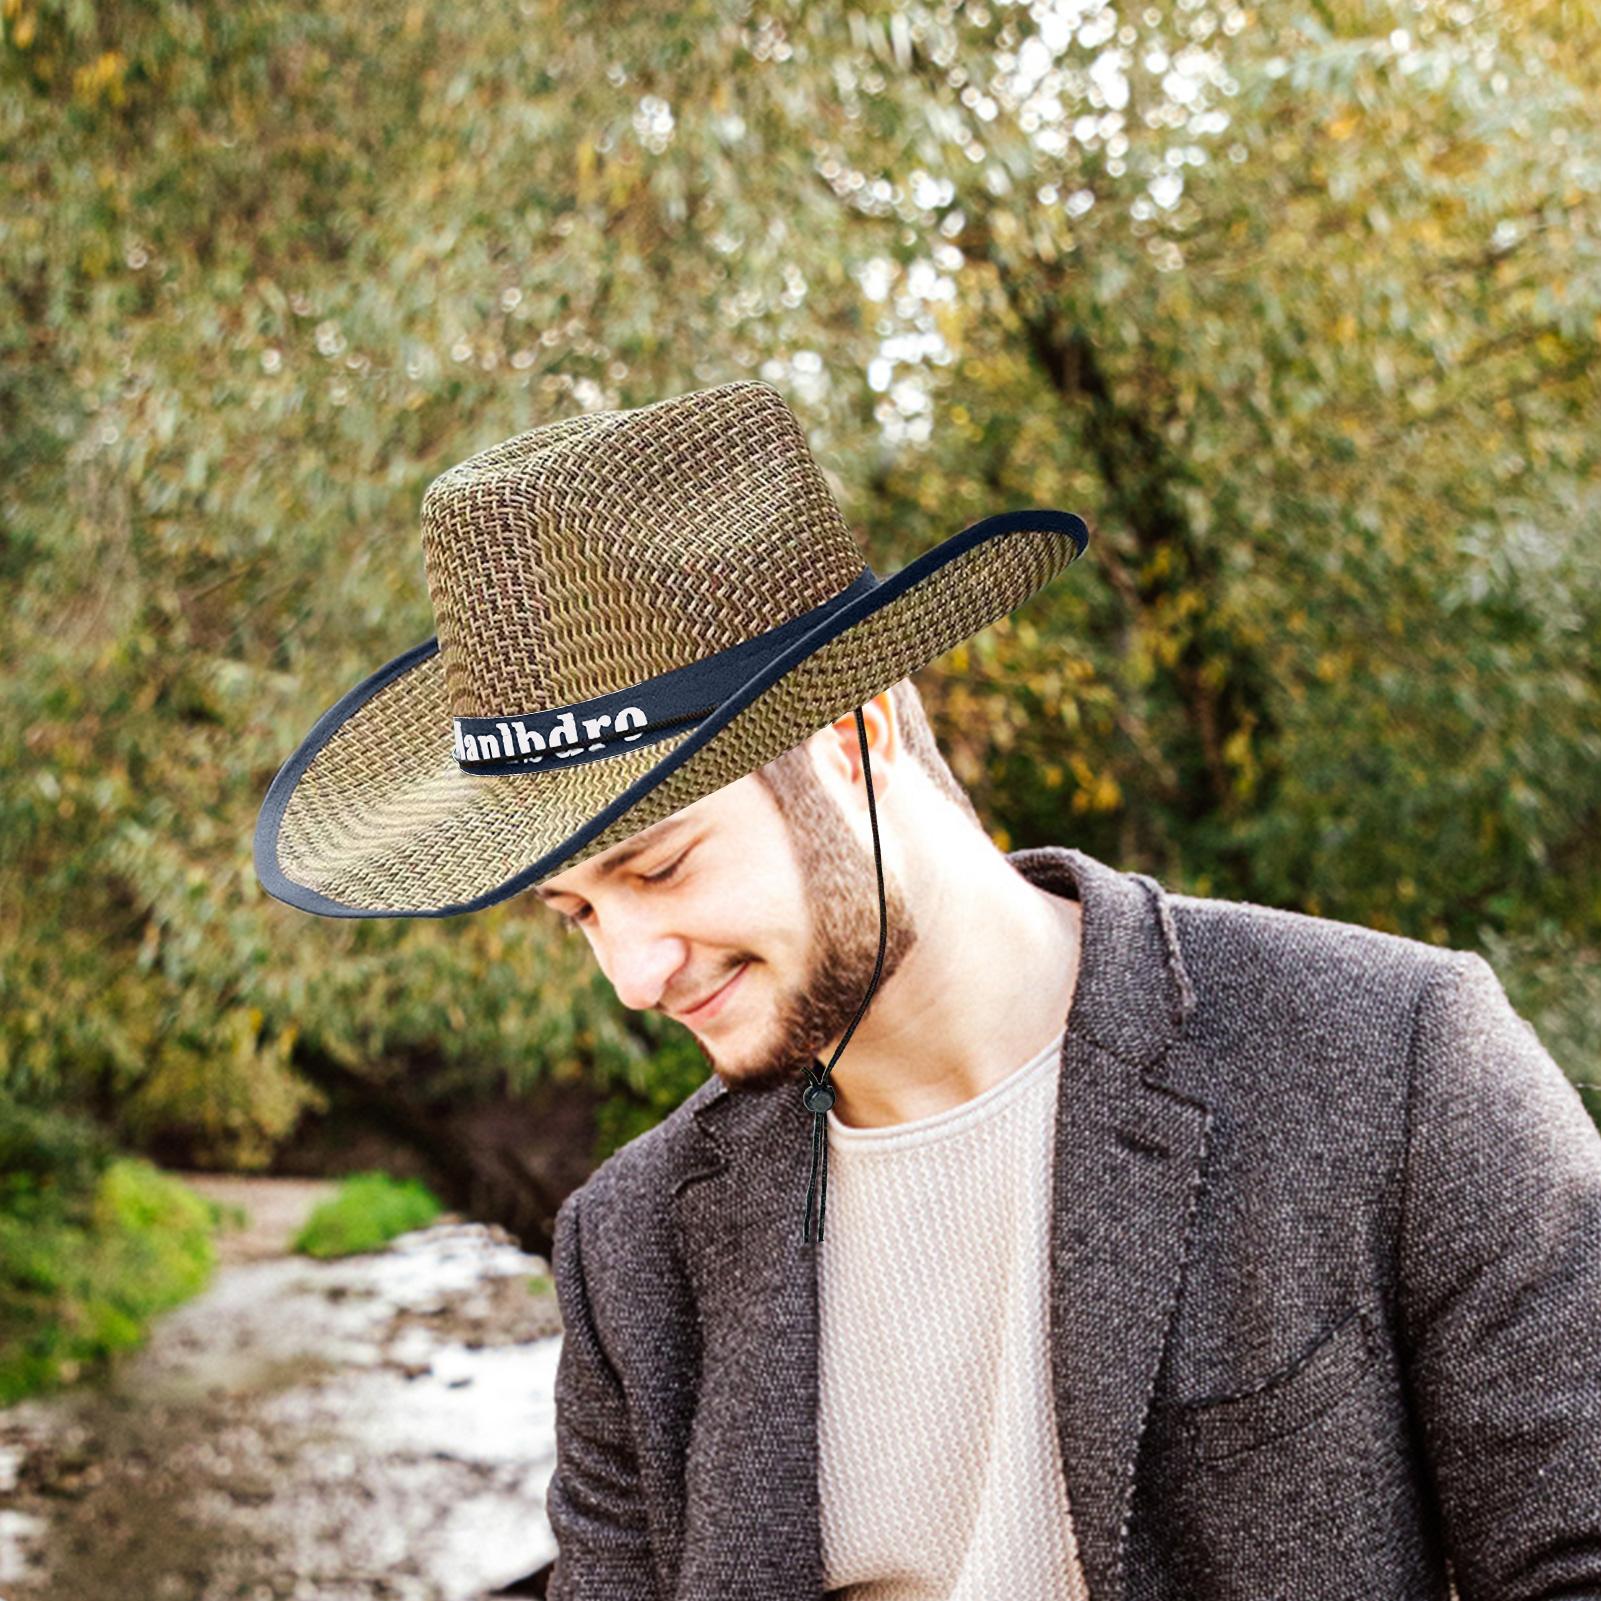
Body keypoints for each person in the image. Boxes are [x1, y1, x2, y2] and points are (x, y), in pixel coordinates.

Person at [255, 381, 1601, 1601]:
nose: (631, 971)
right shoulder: (631, 1250)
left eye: (657, 867)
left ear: (855, 733)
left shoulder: (1396, 1063)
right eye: (578, 912)